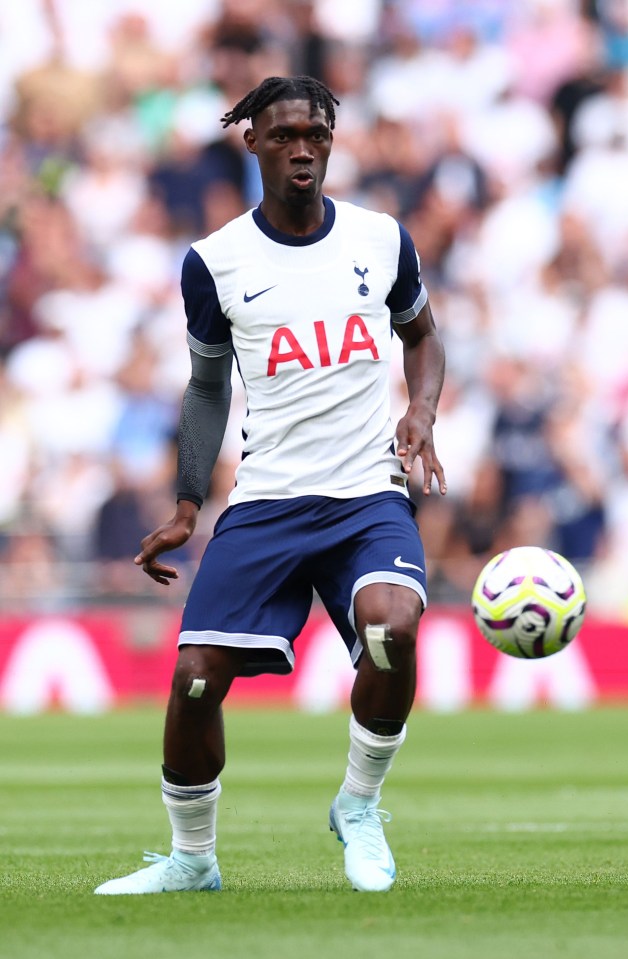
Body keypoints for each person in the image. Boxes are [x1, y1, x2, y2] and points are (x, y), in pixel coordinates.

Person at [95, 75, 446, 896]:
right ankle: (192, 859)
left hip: (366, 493)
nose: (302, 149)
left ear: (332, 142)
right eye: (284, 134)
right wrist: (187, 500)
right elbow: (208, 386)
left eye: (316, 135)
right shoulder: (215, 263)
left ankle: (358, 805)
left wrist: (422, 412)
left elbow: (423, 336)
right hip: (266, 501)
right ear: (252, 142)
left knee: (393, 625)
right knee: (193, 681)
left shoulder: (381, 239)